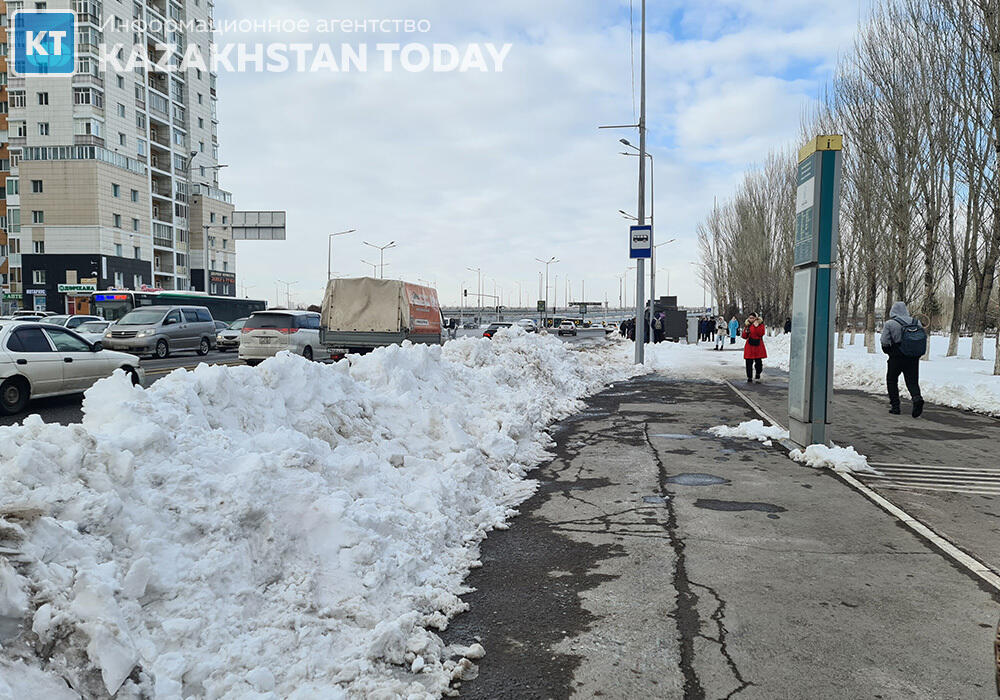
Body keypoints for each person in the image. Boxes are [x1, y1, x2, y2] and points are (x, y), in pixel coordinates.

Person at [881, 301, 925, 417]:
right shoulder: (916, 322)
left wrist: (888, 351)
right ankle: (917, 398)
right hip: (913, 356)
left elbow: (884, 341)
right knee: (912, 381)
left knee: (892, 379)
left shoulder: (890, 323)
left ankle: (895, 407)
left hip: (897, 356)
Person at [741, 313, 767, 383]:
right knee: (748, 362)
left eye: (752, 318)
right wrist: (745, 331)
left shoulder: (760, 325)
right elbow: (744, 336)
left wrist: (756, 326)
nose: (751, 319)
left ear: (756, 318)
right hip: (749, 346)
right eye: (750, 318)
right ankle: (749, 377)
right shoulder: (747, 325)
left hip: (758, 346)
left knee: (758, 362)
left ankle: (758, 373)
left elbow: (761, 333)